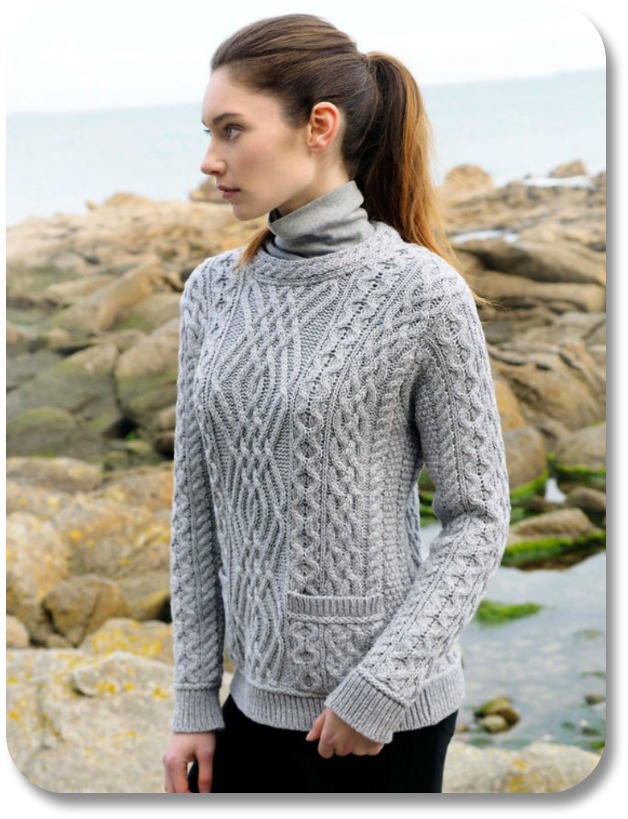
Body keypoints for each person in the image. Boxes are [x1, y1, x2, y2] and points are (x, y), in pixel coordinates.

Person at [162, 13, 511, 794]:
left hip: (385, 718)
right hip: (251, 706)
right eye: (207, 130)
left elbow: (478, 514)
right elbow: (195, 505)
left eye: (230, 130)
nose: (209, 158)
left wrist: (381, 684)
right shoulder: (214, 291)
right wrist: (194, 699)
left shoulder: (422, 292)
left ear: (319, 126)